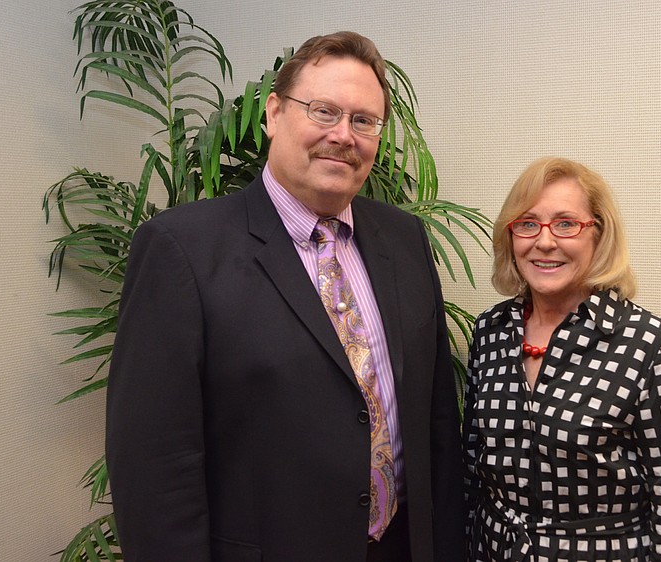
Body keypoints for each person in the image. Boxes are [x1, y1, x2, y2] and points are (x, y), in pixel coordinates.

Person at [106, 31, 465, 562]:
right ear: (274, 113)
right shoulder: (182, 249)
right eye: (323, 111)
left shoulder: (405, 239)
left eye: (363, 121)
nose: (344, 135)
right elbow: (155, 462)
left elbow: (435, 418)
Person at [462, 157, 661, 561]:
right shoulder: (490, 330)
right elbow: (471, 473)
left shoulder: (651, 346)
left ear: (599, 234)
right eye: (527, 223)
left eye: (565, 223)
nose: (544, 241)